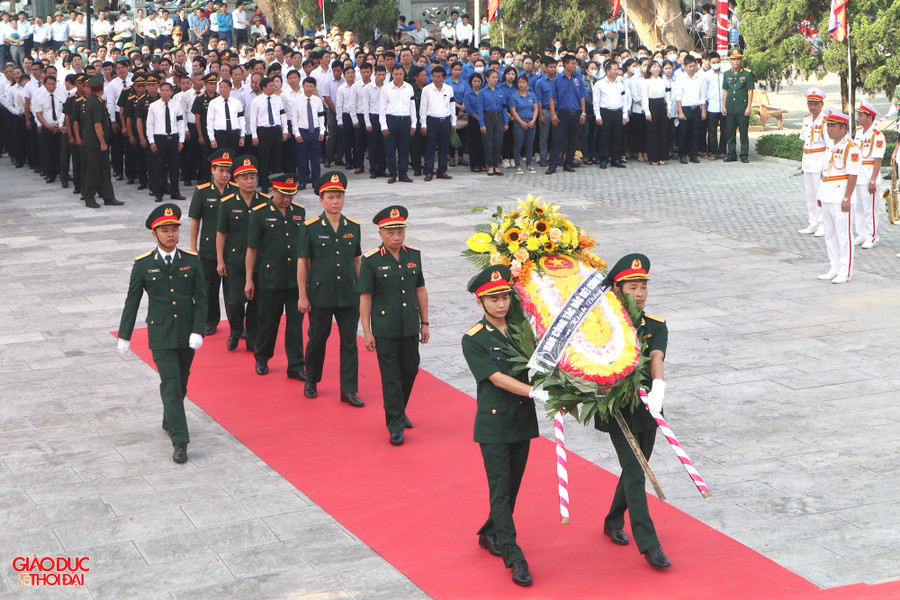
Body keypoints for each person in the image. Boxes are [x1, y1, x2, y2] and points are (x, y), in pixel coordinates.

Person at [461, 265, 542, 587]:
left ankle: (490, 531)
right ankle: (514, 555)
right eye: (493, 298)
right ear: (480, 302)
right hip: (494, 424)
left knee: (511, 488)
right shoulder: (474, 339)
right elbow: (496, 378)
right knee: (500, 488)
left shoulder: (522, 328)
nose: (501, 304)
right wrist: (534, 391)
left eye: (505, 296)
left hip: (521, 420)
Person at [594, 253, 671, 570]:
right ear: (616, 289)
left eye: (643, 286)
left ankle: (613, 519)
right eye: (632, 286)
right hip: (618, 407)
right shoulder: (601, 328)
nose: (639, 292)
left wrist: (659, 389)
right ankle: (650, 544)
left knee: (635, 467)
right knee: (637, 470)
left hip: (649, 405)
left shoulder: (655, 324)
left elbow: (656, 357)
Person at [117, 203, 207, 464]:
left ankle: (170, 418)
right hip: (161, 335)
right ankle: (180, 440)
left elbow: (201, 299)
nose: (171, 235)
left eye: (174, 230)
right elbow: (131, 301)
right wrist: (125, 336)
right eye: (165, 231)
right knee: (171, 383)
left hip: (187, 335)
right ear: (154, 234)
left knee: (182, 381)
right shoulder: (144, 265)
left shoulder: (191, 261)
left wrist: (197, 330)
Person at [359, 205, 429, 445]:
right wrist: (367, 331)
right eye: (390, 232)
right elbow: (365, 297)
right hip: (385, 328)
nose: (396, 237)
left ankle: (399, 409)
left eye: (400, 231)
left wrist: (425, 322)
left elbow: (420, 289)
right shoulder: (371, 261)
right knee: (390, 377)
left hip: (409, 324)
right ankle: (395, 424)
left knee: (410, 369)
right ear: (380, 233)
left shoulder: (413, 256)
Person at [297, 172, 363, 406]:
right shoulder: (310, 228)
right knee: (316, 339)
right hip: (321, 294)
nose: (335, 201)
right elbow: (303, 262)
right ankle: (312, 380)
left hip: (348, 294)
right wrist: (303, 295)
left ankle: (348, 389)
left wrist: (362, 290)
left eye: (339, 196)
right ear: (321, 200)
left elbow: (357, 260)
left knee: (349, 343)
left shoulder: (353, 227)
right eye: (330, 197)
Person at [245, 172, 307, 379]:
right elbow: (252, 249)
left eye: (291, 194)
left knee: (295, 325)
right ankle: (262, 357)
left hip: (294, 279)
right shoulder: (259, 213)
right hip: (271, 278)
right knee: (268, 321)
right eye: (283, 194)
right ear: (273, 190)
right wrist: (249, 279)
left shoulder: (299, 213)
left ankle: (296, 365)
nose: (287, 199)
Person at [217, 154, 266, 352]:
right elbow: (221, 233)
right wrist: (220, 260)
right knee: (235, 300)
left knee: (257, 301)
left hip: (260, 260)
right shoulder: (228, 203)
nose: (250, 181)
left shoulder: (264, 202)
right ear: (235, 180)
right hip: (235, 260)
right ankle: (236, 330)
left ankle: (253, 336)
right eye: (245, 178)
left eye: (253, 177)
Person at [816, 108, 860, 284]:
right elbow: (825, 172)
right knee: (830, 234)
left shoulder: (851, 147)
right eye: (828, 126)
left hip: (841, 194)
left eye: (833, 126)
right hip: (827, 193)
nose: (829, 129)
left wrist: (847, 198)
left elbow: (853, 174)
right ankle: (834, 266)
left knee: (844, 235)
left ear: (843, 128)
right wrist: (820, 194)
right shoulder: (830, 145)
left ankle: (845, 270)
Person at [81, 75, 123, 208]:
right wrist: (103, 142)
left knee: (105, 169)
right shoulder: (96, 102)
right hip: (95, 143)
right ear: (102, 87)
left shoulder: (93, 100)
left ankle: (108, 196)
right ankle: (89, 197)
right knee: (93, 170)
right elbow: (97, 125)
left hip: (96, 142)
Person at [853, 100, 886, 249]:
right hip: (858, 175)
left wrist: (873, 179)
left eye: (861, 115)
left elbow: (878, 160)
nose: (858, 118)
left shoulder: (877, 135)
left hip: (868, 175)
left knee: (870, 208)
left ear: (870, 117)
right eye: (858, 115)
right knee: (858, 207)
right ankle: (862, 233)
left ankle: (872, 235)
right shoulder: (859, 132)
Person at [146, 81, 187, 203]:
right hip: (159, 138)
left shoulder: (176, 105)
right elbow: (150, 125)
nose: (164, 93)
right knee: (159, 167)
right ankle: (159, 192)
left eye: (167, 90)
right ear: (159, 91)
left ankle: (175, 192)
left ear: (171, 92)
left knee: (174, 167)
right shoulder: (153, 106)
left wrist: (181, 140)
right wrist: (151, 141)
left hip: (173, 138)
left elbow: (180, 123)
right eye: (162, 90)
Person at [546, 54, 586, 175]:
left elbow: (582, 96)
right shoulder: (557, 79)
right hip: (562, 114)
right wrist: (553, 114)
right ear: (566, 64)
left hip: (576, 113)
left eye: (576, 64)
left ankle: (568, 163)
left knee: (573, 140)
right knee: (557, 140)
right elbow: (552, 98)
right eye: (573, 63)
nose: (575, 66)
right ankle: (552, 165)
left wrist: (583, 113)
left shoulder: (578, 78)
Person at [249, 76, 288, 193]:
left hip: (275, 130)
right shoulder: (256, 101)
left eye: (274, 85)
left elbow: (282, 115)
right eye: (271, 86)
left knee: (277, 157)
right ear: (263, 88)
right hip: (263, 131)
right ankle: (264, 184)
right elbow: (253, 119)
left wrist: (285, 130)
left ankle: (275, 184)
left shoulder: (278, 99)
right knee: (264, 158)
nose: (273, 87)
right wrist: (254, 135)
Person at [379, 64, 416, 183]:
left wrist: (413, 124)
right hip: (391, 120)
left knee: (404, 149)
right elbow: (382, 108)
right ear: (392, 74)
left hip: (405, 120)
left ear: (403, 74)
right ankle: (392, 174)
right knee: (390, 149)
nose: (398, 76)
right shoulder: (386, 88)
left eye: (401, 74)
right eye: (396, 74)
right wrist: (383, 125)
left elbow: (412, 107)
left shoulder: (409, 87)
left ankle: (403, 174)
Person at [798, 88, 827, 237]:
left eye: (816, 104)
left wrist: (826, 166)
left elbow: (829, 146)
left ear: (822, 104)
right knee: (810, 193)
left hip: (820, 159)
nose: (813, 107)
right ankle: (813, 222)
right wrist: (803, 163)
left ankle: (822, 224)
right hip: (808, 160)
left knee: (819, 194)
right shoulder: (806, 119)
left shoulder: (826, 121)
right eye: (810, 104)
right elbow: (804, 143)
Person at [419, 65, 456, 181]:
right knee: (430, 147)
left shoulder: (449, 89)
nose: (436, 79)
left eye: (439, 77)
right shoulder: (427, 89)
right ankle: (428, 171)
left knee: (444, 147)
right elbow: (423, 107)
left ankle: (442, 170)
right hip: (432, 121)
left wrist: (453, 121)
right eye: (434, 76)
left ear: (444, 78)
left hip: (445, 121)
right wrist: (423, 124)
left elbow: (452, 105)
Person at [594, 59, 630, 169]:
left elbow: (624, 100)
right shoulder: (600, 84)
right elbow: (596, 101)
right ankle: (603, 159)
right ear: (607, 71)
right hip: (605, 113)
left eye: (617, 69)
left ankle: (615, 159)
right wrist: (598, 116)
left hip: (618, 112)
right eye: (614, 69)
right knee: (604, 137)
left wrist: (624, 115)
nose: (617, 71)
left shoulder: (620, 84)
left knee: (617, 137)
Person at [293, 76, 325, 189]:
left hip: (315, 131)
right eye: (307, 86)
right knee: (302, 158)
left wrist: (322, 131)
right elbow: (294, 119)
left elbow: (321, 117)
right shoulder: (297, 101)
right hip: (302, 131)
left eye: (311, 86)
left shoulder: (317, 100)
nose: (309, 88)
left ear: (315, 87)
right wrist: (297, 134)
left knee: (316, 157)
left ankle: (316, 180)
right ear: (303, 86)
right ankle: (303, 180)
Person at [722, 49, 753, 163]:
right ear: (730, 61)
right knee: (730, 133)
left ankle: (744, 155)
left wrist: (749, 107)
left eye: (738, 59)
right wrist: (724, 106)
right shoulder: (726, 74)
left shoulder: (747, 73)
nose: (736, 62)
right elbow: (725, 90)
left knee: (743, 133)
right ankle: (731, 154)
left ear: (741, 60)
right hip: (730, 107)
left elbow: (750, 91)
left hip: (742, 107)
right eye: (733, 59)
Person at [478, 69, 508, 176]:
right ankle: (490, 166)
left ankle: (496, 166)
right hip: (488, 116)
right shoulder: (482, 92)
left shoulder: (500, 90)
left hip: (499, 116)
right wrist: (482, 124)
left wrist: (506, 122)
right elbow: (480, 109)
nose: (495, 79)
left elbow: (504, 107)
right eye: (493, 77)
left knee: (498, 142)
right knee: (488, 143)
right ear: (487, 78)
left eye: (496, 77)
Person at [508, 74, 538, 174]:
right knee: (518, 144)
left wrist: (533, 120)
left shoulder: (532, 95)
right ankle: (518, 165)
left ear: (527, 83)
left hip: (530, 121)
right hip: (519, 122)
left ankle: (529, 165)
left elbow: (536, 108)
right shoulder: (514, 96)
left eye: (523, 82)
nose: (521, 84)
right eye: (519, 82)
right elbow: (513, 110)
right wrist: (521, 122)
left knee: (529, 145)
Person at [641, 60, 668, 166]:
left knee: (662, 131)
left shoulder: (663, 79)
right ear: (649, 69)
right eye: (654, 67)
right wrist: (647, 110)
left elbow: (667, 95)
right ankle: (653, 157)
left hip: (662, 104)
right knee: (652, 132)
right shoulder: (646, 81)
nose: (656, 69)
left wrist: (669, 108)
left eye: (658, 67)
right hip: (651, 105)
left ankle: (662, 156)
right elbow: (644, 97)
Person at [207, 78, 245, 151]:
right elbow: (210, 121)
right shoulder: (213, 103)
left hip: (234, 134)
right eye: (221, 87)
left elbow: (241, 119)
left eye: (225, 87)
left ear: (230, 88)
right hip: (220, 135)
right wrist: (212, 138)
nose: (222, 89)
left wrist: (242, 136)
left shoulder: (236, 102)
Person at [704, 51, 725, 159]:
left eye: (717, 61)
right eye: (713, 62)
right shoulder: (707, 75)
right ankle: (713, 151)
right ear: (710, 62)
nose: (716, 63)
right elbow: (705, 91)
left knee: (724, 130)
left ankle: (722, 151)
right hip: (712, 106)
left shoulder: (725, 73)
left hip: (724, 107)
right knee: (712, 131)